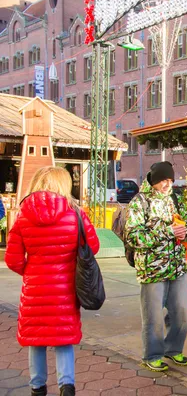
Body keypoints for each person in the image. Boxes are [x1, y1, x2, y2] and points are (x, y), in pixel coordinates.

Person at [5, 166, 100, 396]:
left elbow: (13, 259)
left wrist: (33, 272)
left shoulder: (23, 215)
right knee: (63, 337)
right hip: (65, 289)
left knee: (35, 339)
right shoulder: (75, 213)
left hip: (35, 291)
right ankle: (66, 386)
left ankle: (37, 387)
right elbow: (92, 247)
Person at [125, 161, 187, 372]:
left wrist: (185, 233)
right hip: (152, 269)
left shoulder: (175, 199)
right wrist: (167, 232)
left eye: (170, 180)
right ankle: (152, 354)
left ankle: (174, 349)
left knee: (180, 311)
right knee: (153, 315)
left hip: (178, 267)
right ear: (154, 181)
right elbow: (133, 236)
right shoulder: (140, 202)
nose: (167, 184)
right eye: (163, 180)